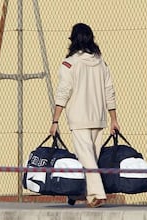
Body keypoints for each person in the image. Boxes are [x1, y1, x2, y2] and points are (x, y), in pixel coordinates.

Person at [49, 23, 120, 208]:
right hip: (99, 117)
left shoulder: (69, 63)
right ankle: (82, 193)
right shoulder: (101, 62)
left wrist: (55, 120)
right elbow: (109, 91)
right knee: (90, 159)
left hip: (79, 119)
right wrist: (113, 119)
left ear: (73, 40)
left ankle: (97, 193)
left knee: (87, 159)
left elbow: (63, 92)